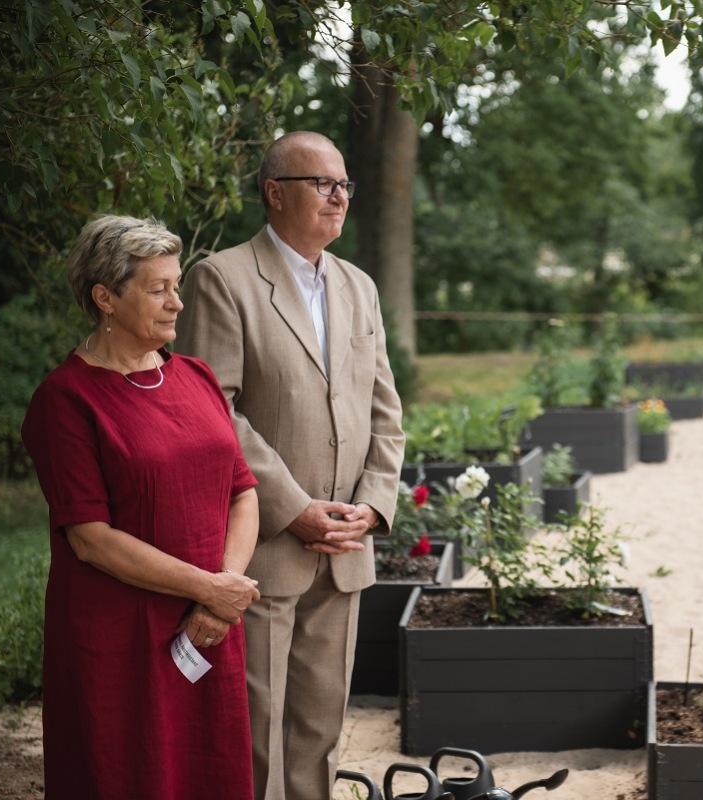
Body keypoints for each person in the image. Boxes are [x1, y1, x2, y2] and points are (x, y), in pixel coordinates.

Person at [175, 131, 405, 800]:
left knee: (320, 731)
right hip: (265, 548)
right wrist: (294, 508)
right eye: (322, 184)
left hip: (346, 548)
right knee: (257, 733)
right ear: (275, 194)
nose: (339, 197)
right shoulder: (222, 278)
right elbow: (212, 410)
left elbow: (385, 408)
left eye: (344, 185)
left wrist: (374, 504)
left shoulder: (359, 286)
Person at [21, 215, 262, 799]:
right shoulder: (66, 400)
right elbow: (90, 538)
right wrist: (211, 589)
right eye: (158, 289)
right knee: (128, 775)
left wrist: (222, 593)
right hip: (119, 638)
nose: (177, 303)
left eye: (176, 286)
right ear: (105, 297)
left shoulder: (197, 377)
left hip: (206, 628)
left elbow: (243, 491)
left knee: (210, 771)